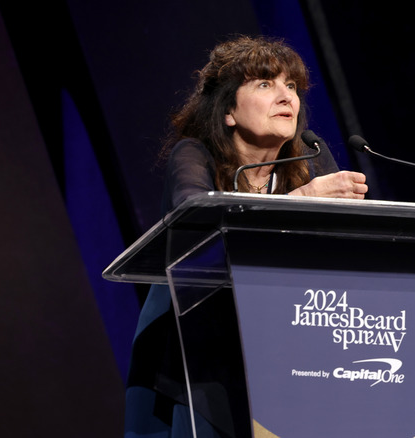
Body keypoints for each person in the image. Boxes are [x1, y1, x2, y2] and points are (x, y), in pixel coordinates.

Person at [124, 35, 367, 438]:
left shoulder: (310, 156)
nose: (286, 96)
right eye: (265, 84)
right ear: (229, 112)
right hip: (192, 350)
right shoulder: (194, 155)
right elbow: (198, 220)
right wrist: (302, 199)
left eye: (292, 86)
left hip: (280, 347)